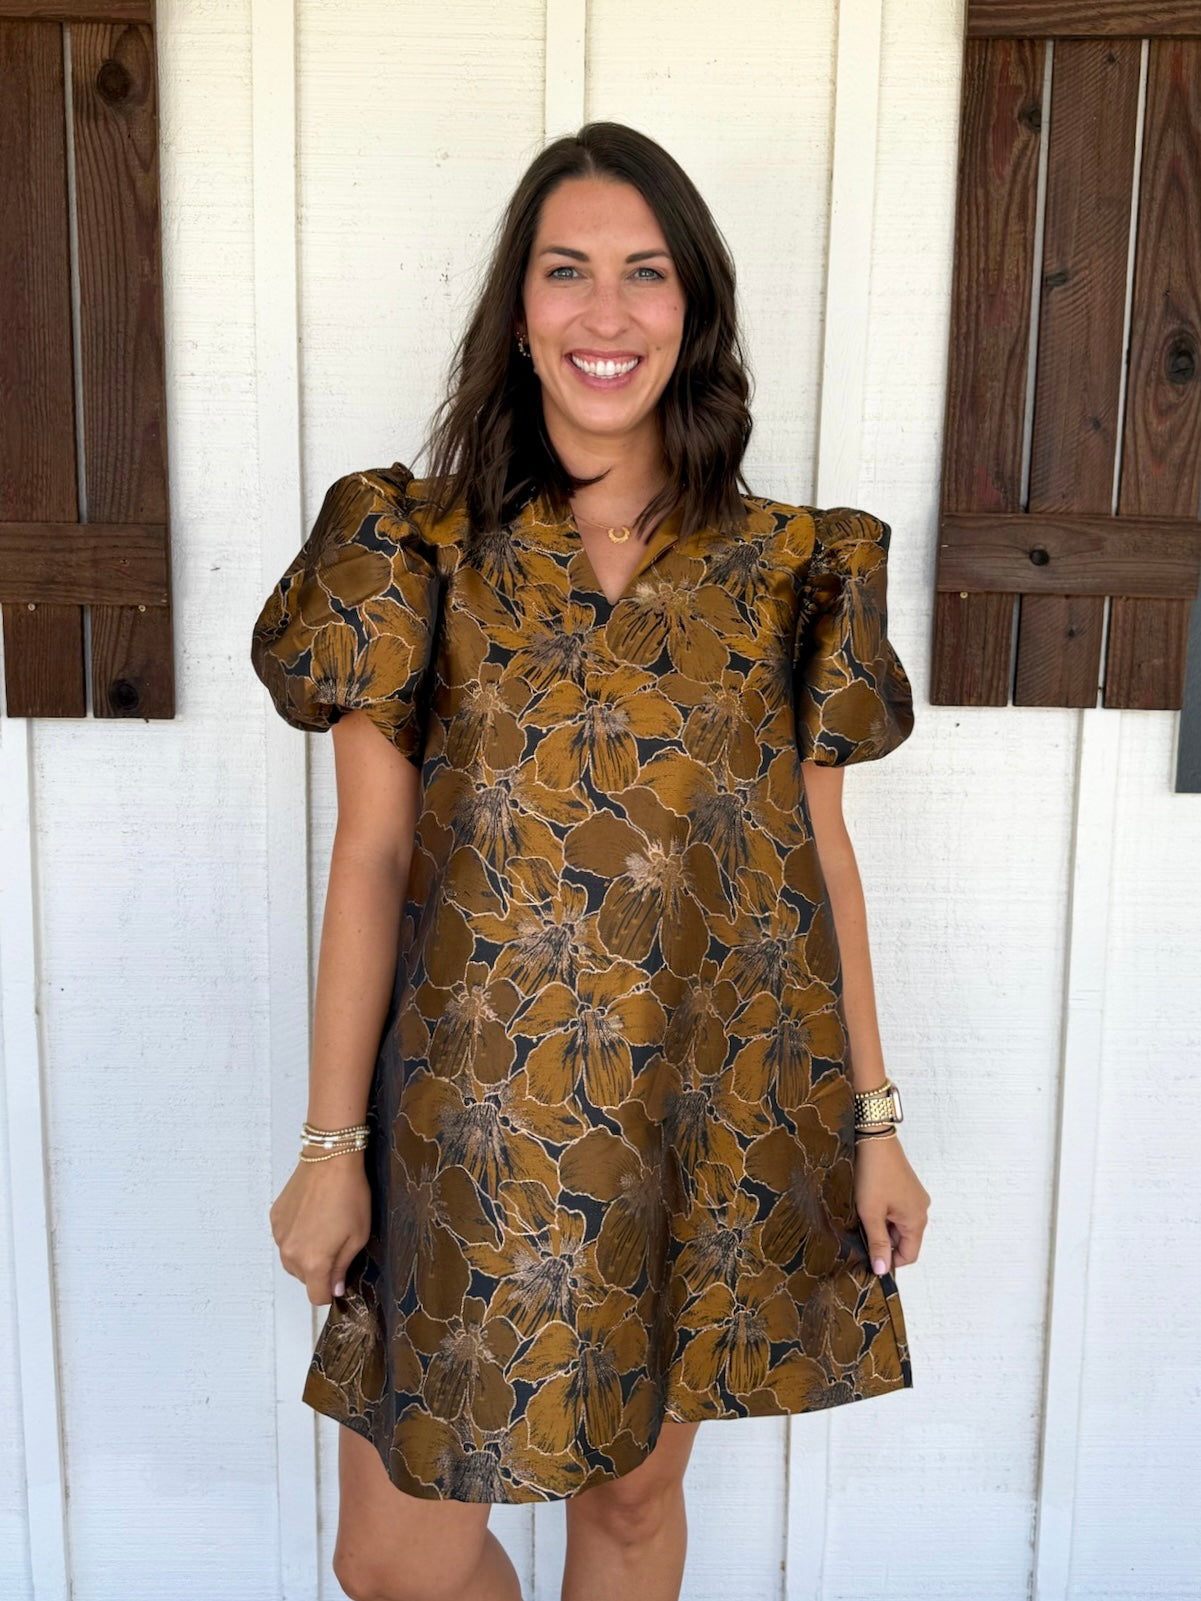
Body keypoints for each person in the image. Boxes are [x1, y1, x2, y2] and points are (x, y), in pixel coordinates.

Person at [252, 120, 931, 1601]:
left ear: (694, 310)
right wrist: (328, 1148)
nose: (605, 313)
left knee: (628, 1502)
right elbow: (370, 857)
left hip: (698, 1111)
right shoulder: (410, 549)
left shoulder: (790, 571)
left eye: (645, 273)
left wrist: (875, 1122)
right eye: (566, 272)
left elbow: (819, 859)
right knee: (395, 1559)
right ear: (518, 310)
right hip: (463, 1136)